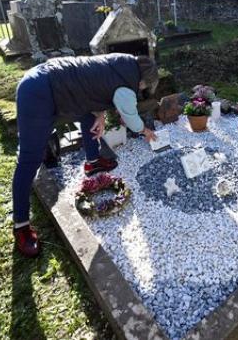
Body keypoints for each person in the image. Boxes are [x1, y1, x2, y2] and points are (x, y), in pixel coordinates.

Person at [12, 53, 159, 258]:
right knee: (29, 160)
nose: (141, 90)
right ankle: (21, 227)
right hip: (39, 92)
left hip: (47, 78)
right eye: (143, 87)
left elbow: (93, 87)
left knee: (89, 116)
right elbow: (132, 120)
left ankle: (93, 162)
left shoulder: (121, 64)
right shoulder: (128, 85)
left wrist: (100, 115)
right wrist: (146, 131)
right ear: (142, 81)